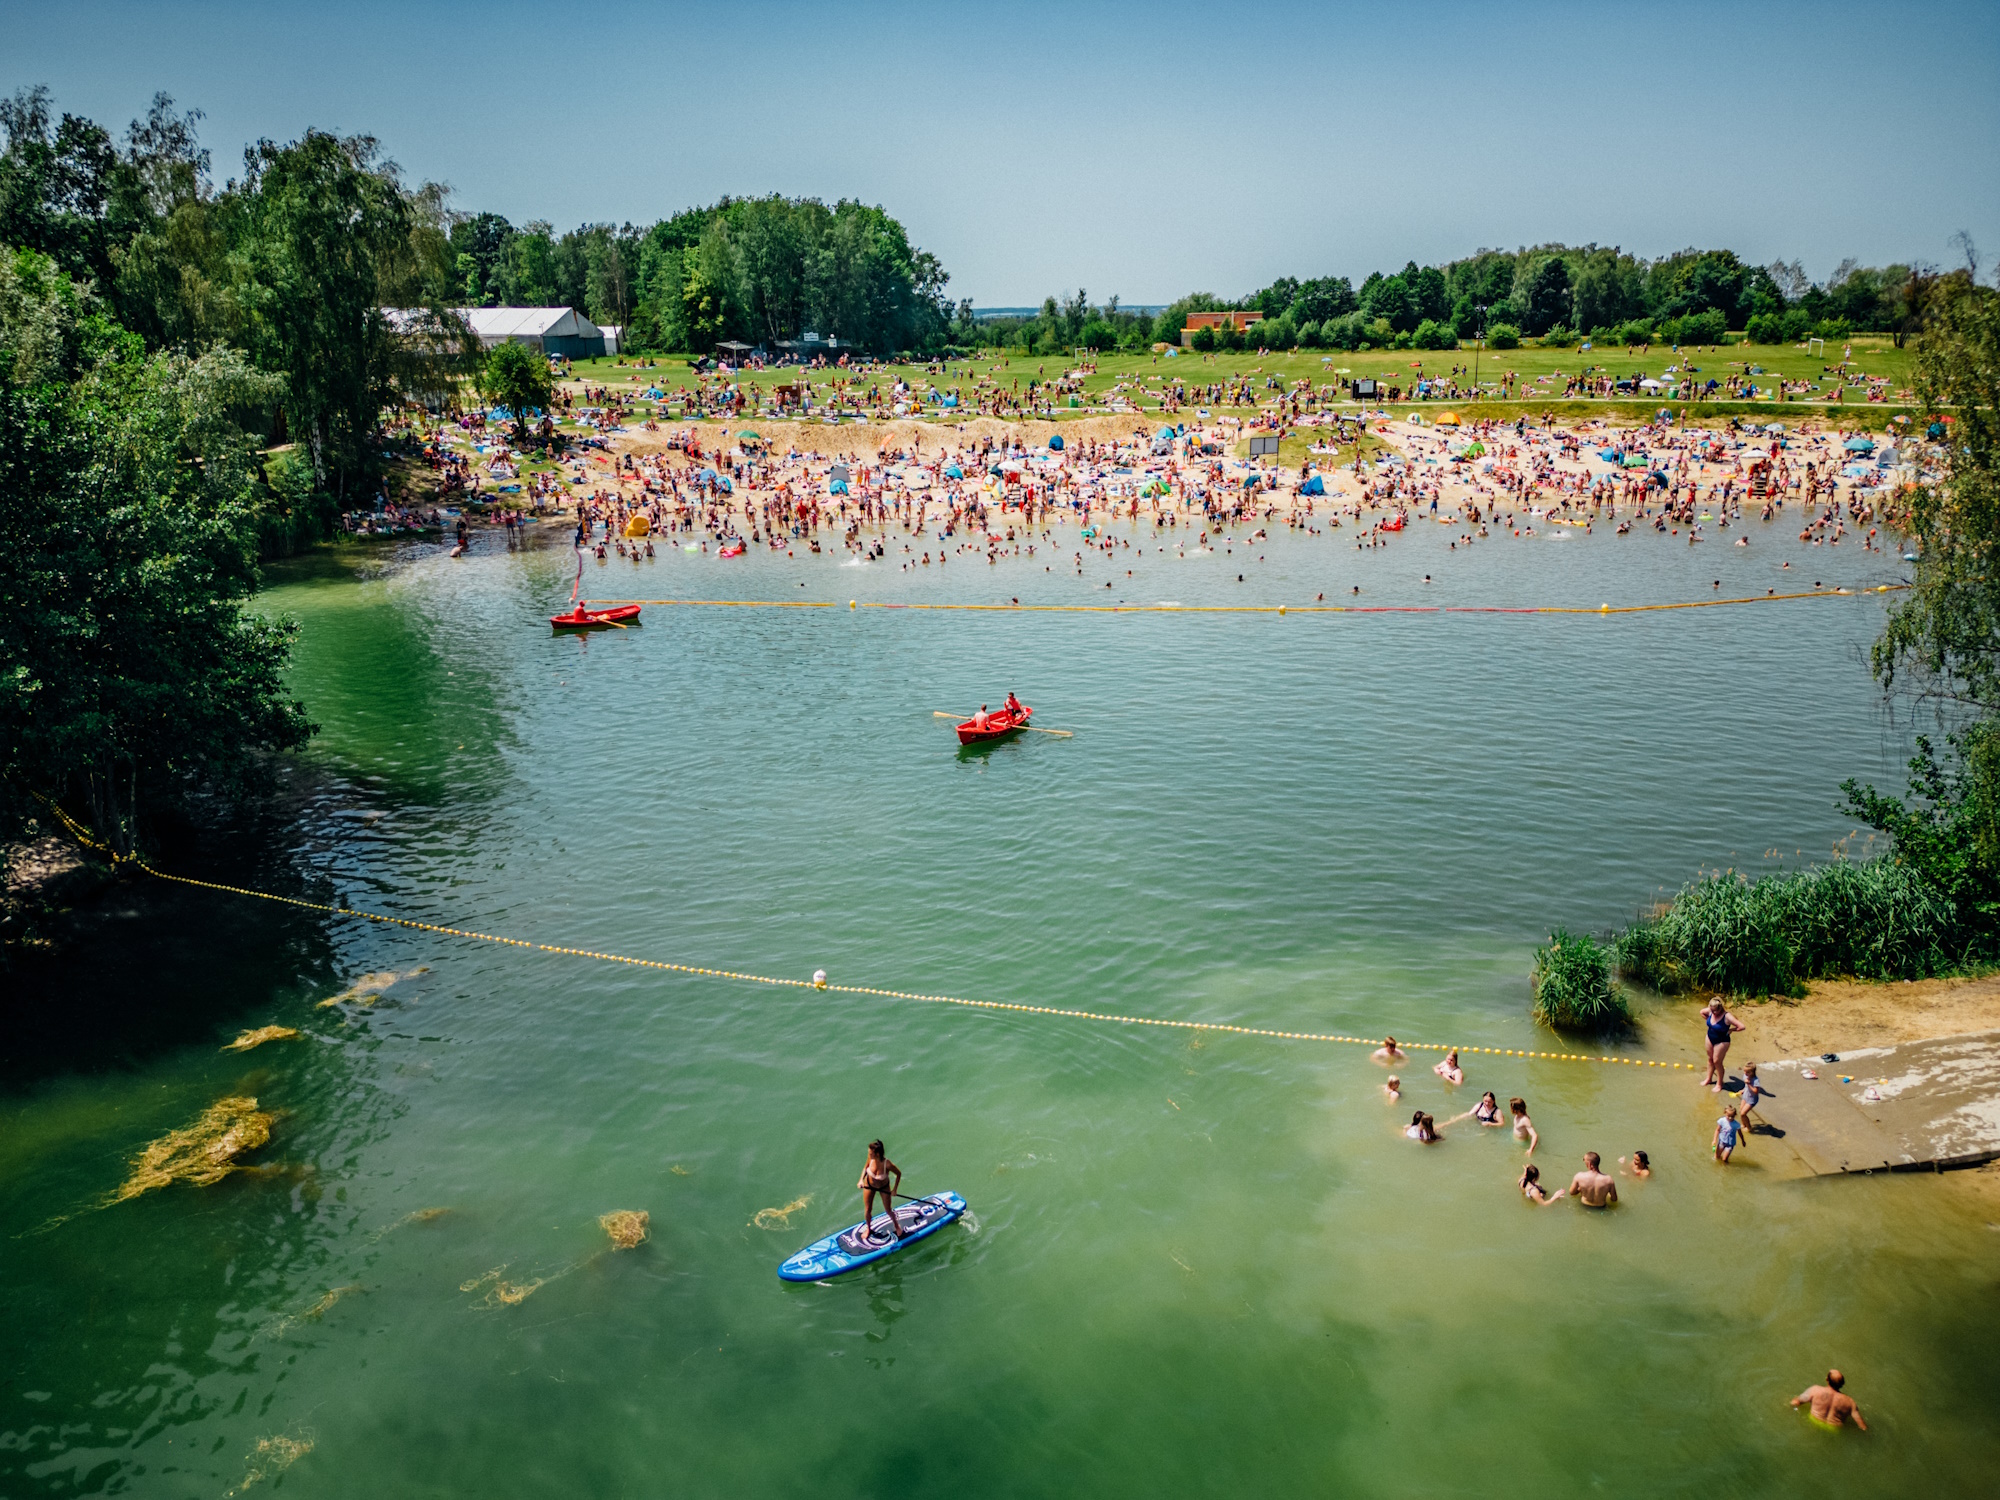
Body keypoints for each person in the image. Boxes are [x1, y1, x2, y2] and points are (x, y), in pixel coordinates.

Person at [858, 1139, 904, 1240]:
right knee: (867, 1210)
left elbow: (899, 1174)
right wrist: (861, 1180)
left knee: (888, 1210)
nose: (869, 1155)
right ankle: (868, 1228)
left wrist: (894, 1189)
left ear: (877, 1154)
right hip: (869, 1185)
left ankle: (896, 1226)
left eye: (871, 1153)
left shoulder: (887, 1164)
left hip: (884, 1187)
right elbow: (866, 1168)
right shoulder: (870, 1159)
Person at [1791, 1370, 1867, 1430]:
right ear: (1842, 1384)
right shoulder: (1850, 1402)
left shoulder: (1815, 1390)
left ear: (1827, 1379)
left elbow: (1795, 1402)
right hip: (1833, 1428)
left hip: (1814, 1421)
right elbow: (1862, 1426)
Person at [1701, 997, 1745, 1091]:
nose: (1713, 1013)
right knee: (1710, 1059)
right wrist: (1709, 1023)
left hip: (1722, 1040)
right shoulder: (1710, 1011)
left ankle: (1719, 1083)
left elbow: (1741, 1026)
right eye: (1711, 1010)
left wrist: (1731, 1030)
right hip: (1710, 1037)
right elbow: (1701, 1012)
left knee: (1717, 1061)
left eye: (1715, 1011)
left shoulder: (1727, 1016)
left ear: (1720, 1008)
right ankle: (1708, 1079)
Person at [1740, 1063, 1767, 1131]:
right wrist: (1743, 1090)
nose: (1745, 1073)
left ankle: (1749, 1127)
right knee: (1741, 1111)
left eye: (1747, 1072)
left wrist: (1749, 1084)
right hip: (1745, 1096)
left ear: (1752, 1072)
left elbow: (1756, 1091)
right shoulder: (1745, 1076)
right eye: (1744, 1071)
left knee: (1743, 1113)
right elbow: (1746, 1086)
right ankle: (1743, 1124)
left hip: (1751, 1099)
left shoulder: (1755, 1080)